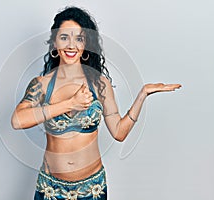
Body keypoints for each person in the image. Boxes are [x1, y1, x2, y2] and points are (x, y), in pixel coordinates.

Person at [11, 6, 181, 200]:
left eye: (79, 38)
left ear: (86, 45)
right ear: (55, 43)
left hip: (92, 190)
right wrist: (70, 104)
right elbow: (17, 120)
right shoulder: (41, 85)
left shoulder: (99, 84)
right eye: (64, 37)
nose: (71, 45)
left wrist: (142, 96)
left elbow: (119, 132)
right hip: (50, 190)